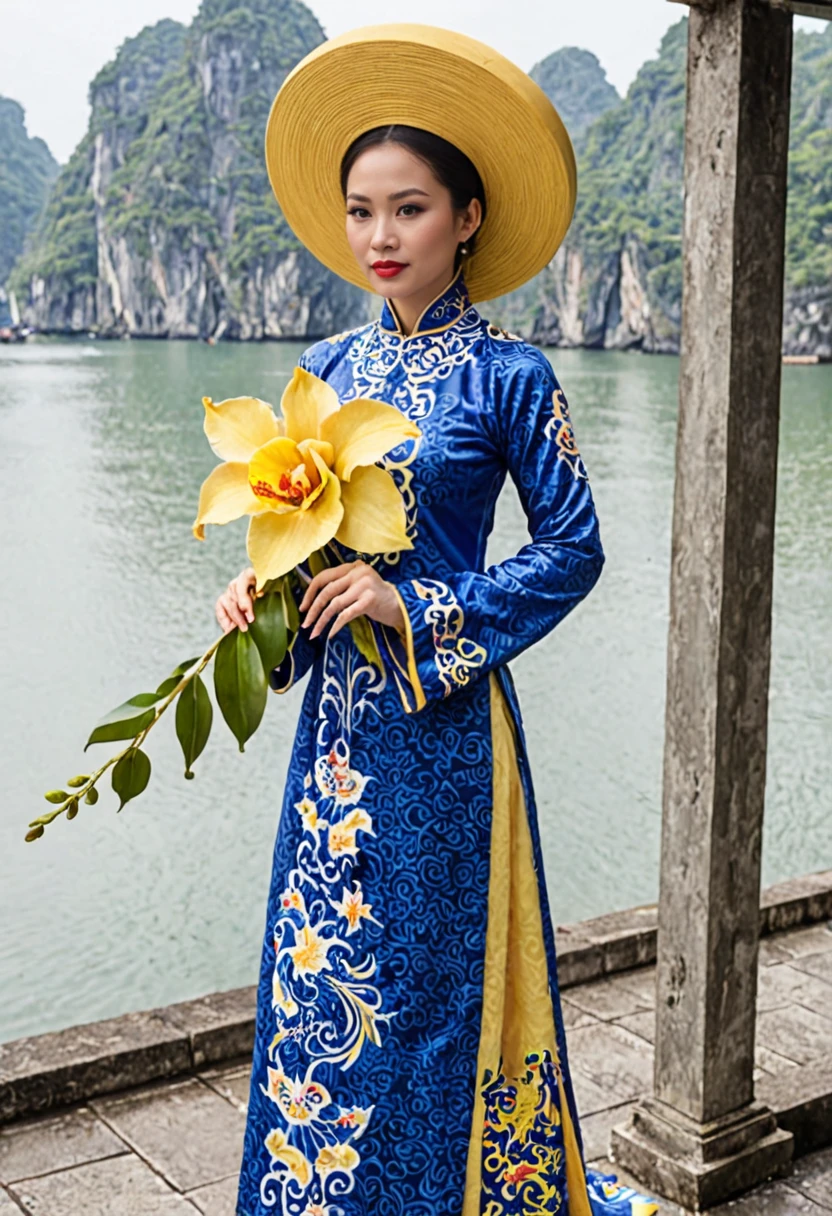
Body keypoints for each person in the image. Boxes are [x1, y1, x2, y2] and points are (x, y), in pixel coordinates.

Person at [220, 24, 660, 1216]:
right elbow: (307, 556)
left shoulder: (511, 377)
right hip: (340, 747)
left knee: (431, 991)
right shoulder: (321, 369)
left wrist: (418, 602)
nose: (378, 237)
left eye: (406, 209)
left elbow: (574, 550)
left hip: (450, 733)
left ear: (465, 217)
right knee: (319, 975)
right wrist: (262, 613)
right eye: (361, 211)